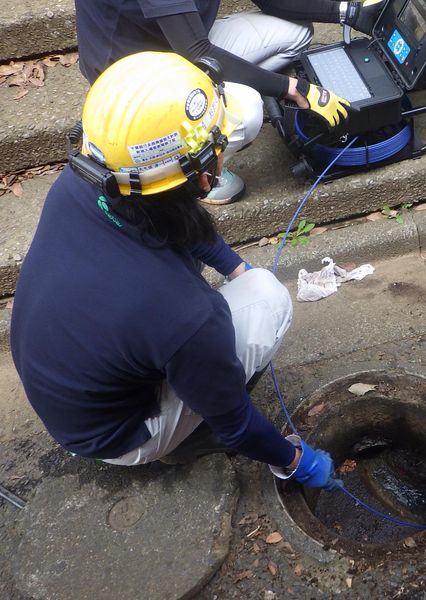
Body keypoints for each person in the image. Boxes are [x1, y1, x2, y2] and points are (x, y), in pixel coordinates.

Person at [10, 52, 339, 489]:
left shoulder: (85, 183)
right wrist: (296, 462)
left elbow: (178, 218)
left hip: (67, 389)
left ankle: (188, 393)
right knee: (268, 300)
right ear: (205, 179)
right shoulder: (184, 315)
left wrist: (234, 268)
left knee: (244, 285)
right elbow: (237, 423)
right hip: (118, 438)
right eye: (219, 149)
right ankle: (183, 440)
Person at [74, 0, 386, 204]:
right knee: (249, 109)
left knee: (296, 34)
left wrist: (350, 12)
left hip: (177, 41)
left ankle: (221, 88)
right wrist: (293, 87)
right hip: (133, 77)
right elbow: (197, 51)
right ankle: (193, 176)